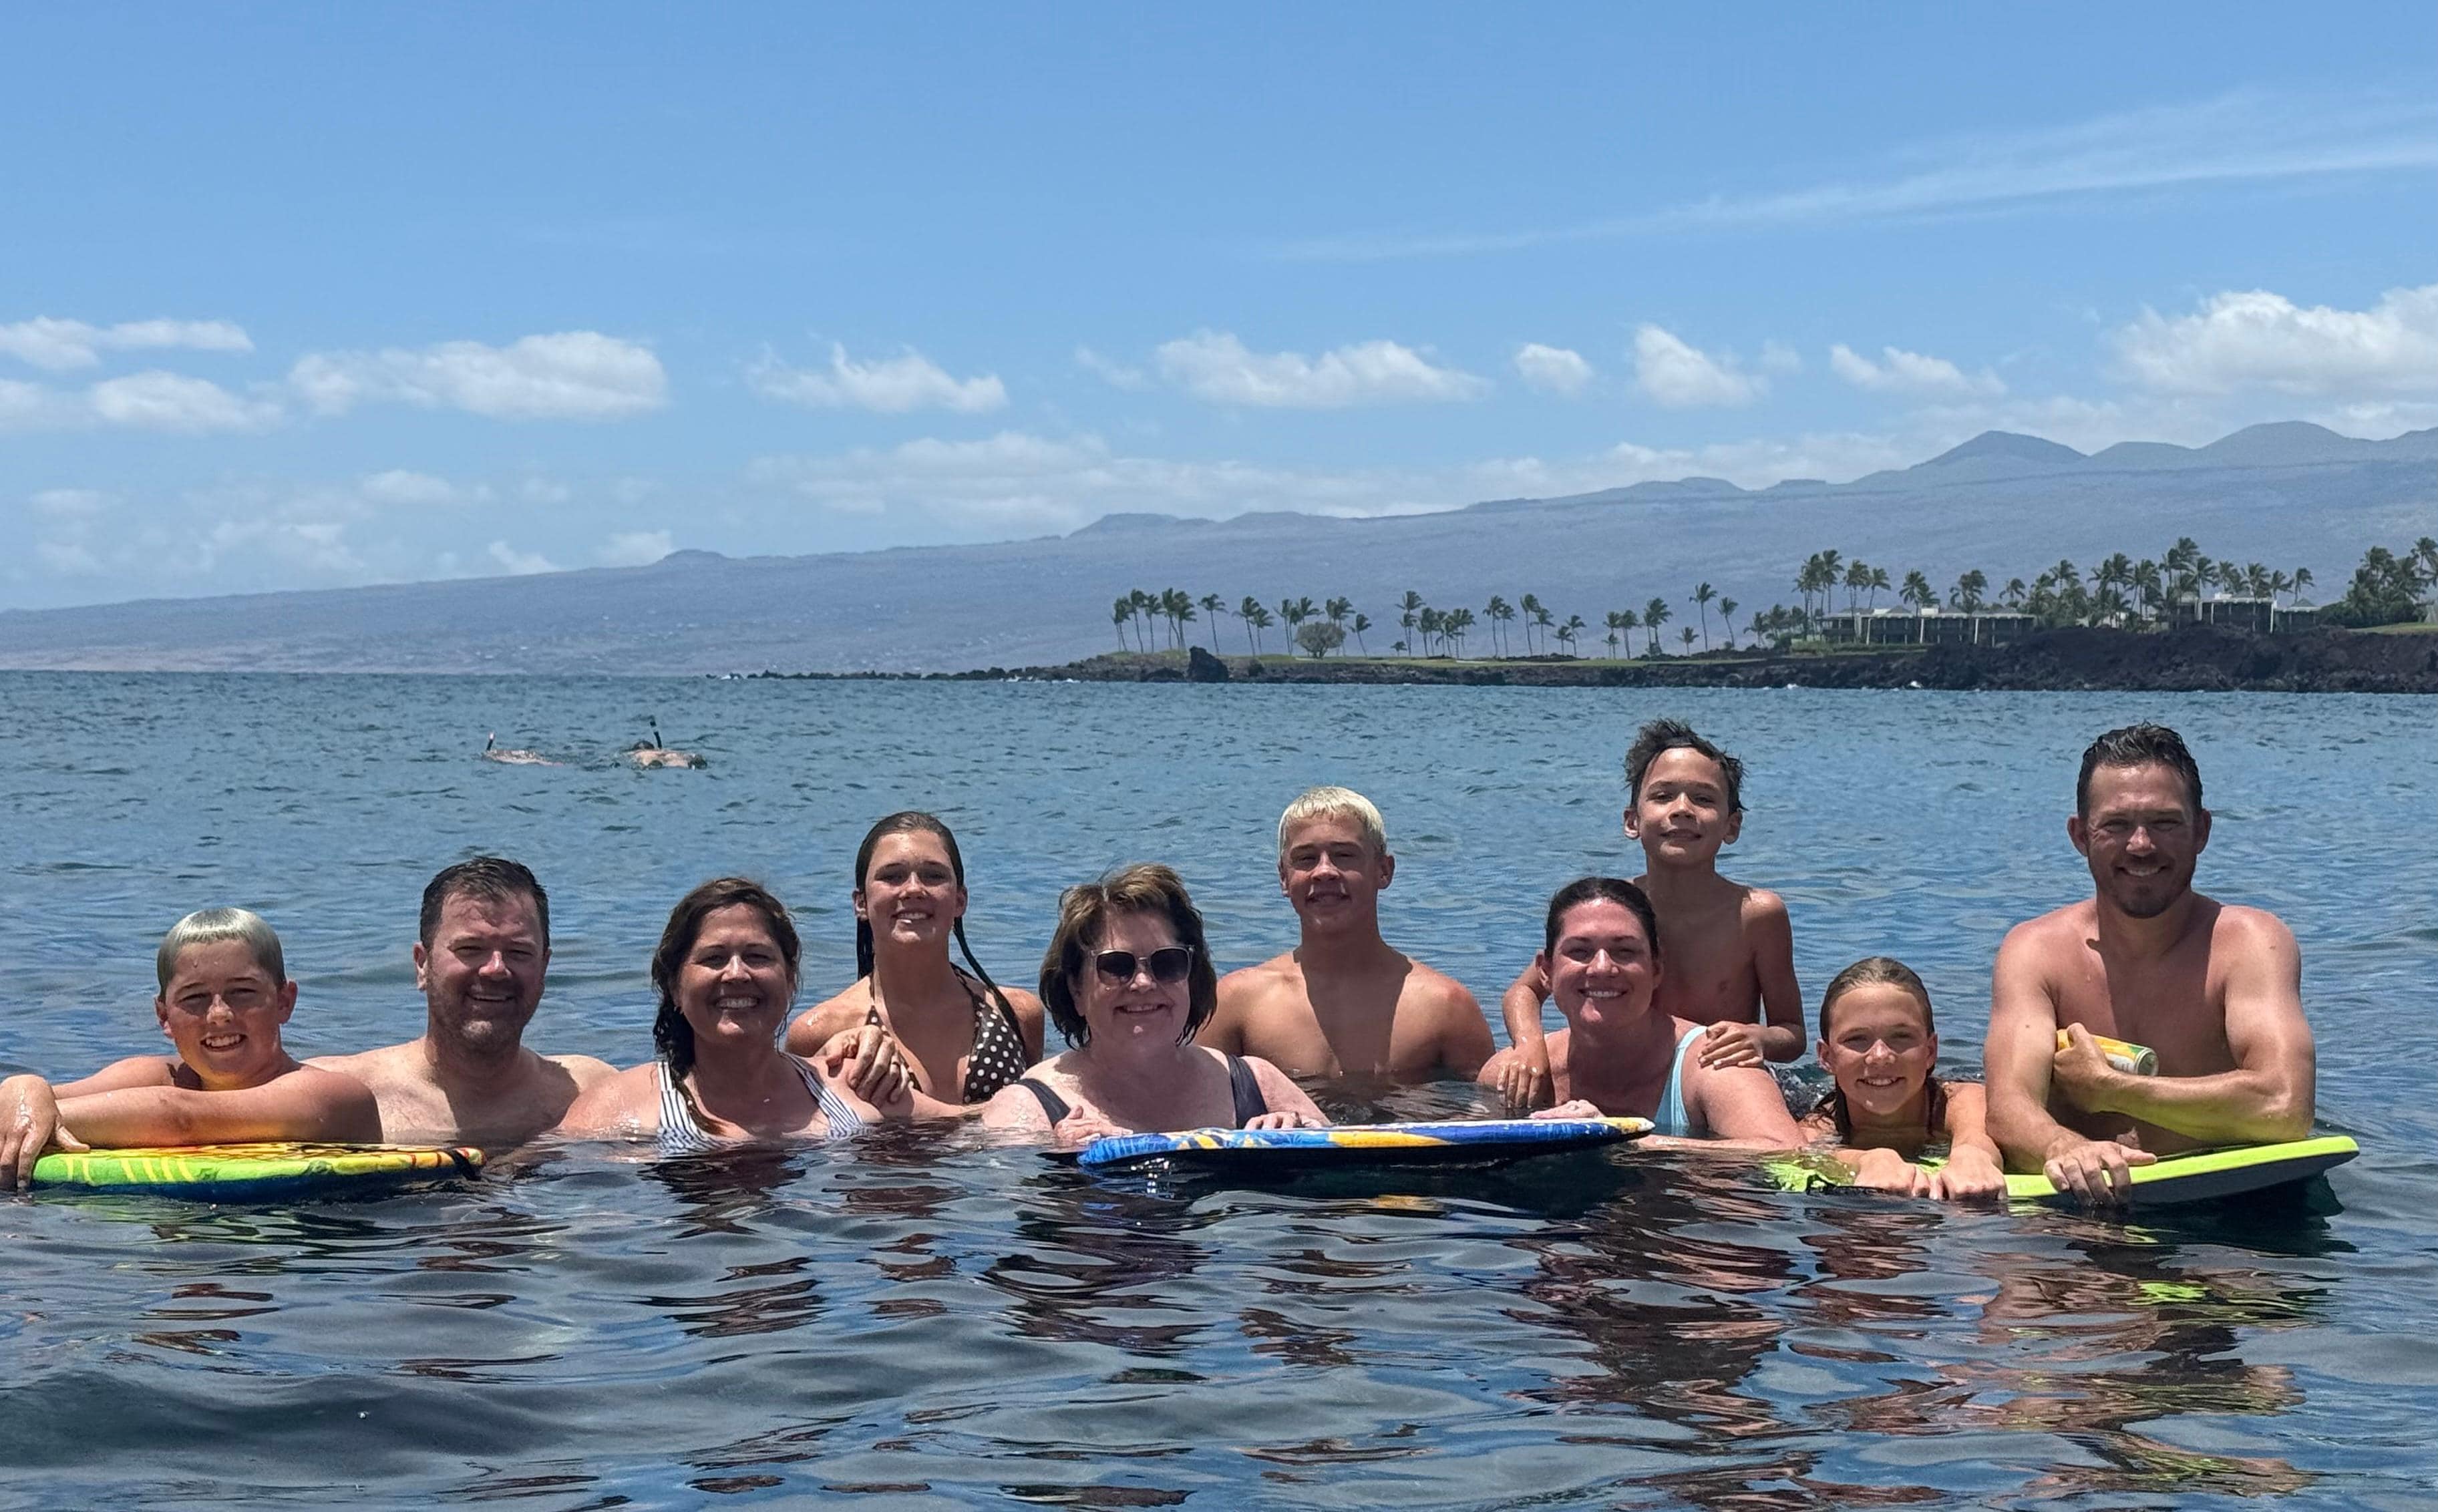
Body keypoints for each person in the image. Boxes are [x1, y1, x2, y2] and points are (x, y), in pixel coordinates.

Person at [1985, 723, 2314, 1203]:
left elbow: (2285, 1107)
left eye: (2165, 823)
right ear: (2080, 835)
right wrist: (2063, 1146)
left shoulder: (2250, 944)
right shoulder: (2035, 950)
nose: (2141, 845)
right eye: (2116, 825)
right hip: (2077, 1207)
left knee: (2249, 1280)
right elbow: (2007, 1108)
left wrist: (2112, 1089)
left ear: (2201, 830)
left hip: (2230, 1204)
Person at [1496, 721, 1803, 1110]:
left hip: (1715, 1086)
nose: (1682, 810)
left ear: (1732, 825)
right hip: (1623, 1079)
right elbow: (1524, 990)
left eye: (1704, 799)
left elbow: (1792, 1033)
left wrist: (1758, 1038)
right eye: (1663, 796)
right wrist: (1529, 1046)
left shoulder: (1758, 915)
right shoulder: (1610, 910)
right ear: (1632, 821)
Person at [0, 908, 379, 1187]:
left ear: (284, 1001)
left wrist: (40, 1119)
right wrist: (24, 1088)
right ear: (164, 1016)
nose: (218, 1015)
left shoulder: (334, 1096)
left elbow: (181, 1118)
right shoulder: (158, 1075)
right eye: (194, 998)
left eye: (243, 992)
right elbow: (35, 1096)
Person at [981, 864, 1327, 1145]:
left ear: (1191, 976)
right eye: (1117, 966)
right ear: (1076, 989)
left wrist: (1299, 1137)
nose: (1144, 983)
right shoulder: (1028, 1110)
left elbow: (1347, 1185)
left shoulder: (1258, 1085)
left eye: (1168, 964)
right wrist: (1063, 1165)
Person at [556, 878, 909, 1152]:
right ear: (675, 987)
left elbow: (962, 1127)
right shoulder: (616, 1111)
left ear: (789, 981)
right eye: (714, 959)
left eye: (757, 956)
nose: (737, 974)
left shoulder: (855, 1088)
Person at [311, 858, 618, 1149]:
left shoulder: (591, 1093)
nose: (496, 968)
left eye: (519, 952)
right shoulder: (338, 1096)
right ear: (422, 965)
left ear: (544, 967)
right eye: (471, 948)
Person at [1478, 877, 1801, 1149]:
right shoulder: (1508, 1074)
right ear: (1545, 971)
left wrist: (1621, 1136)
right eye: (1580, 951)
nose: (1602, 967)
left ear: (1656, 969)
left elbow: (1786, 1151)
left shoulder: (1714, 1063)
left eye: (1625, 951)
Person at [1202, 787, 1494, 1084]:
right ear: (1283, 878)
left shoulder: (1445, 1006)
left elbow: (1490, 1119)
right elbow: (1191, 1111)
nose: (1324, 871)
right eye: (1306, 859)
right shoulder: (1237, 1004)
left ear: (1384, 870)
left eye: (1344, 855)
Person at [784, 812, 1045, 1115]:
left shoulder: (1017, 1014)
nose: (913, 889)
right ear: (861, 903)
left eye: (934, 876)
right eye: (892, 876)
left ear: (960, 900)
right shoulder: (820, 1031)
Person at [1799, 957, 2004, 1200]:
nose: (1880, 1056)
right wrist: (1868, 1159)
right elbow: (1803, 1155)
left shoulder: (1958, 1101)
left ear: (1930, 1052)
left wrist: (1973, 1155)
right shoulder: (1816, 1128)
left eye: (1901, 1036)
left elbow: (1976, 1132)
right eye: (1856, 1039)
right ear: (1826, 1057)